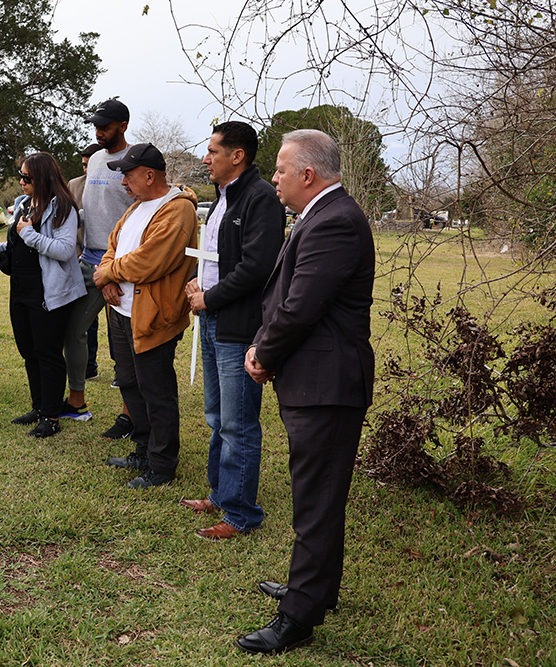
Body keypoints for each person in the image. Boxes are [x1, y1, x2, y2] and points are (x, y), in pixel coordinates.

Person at [238, 129, 375, 654]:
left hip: (327, 385)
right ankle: (313, 589)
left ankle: (298, 615)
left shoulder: (335, 221)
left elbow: (300, 306)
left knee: (316, 501)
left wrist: (262, 354)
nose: (273, 177)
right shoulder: (321, 216)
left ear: (307, 175)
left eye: (279, 168)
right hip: (316, 382)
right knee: (314, 496)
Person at [181, 122, 285, 539]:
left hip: (238, 325)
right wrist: (198, 285)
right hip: (212, 317)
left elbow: (257, 267)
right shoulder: (222, 198)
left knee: (238, 422)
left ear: (237, 155)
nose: (205, 159)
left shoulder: (260, 199)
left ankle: (240, 515)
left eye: (212, 151)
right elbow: (218, 258)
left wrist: (211, 297)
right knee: (217, 416)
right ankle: (221, 495)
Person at [95, 143, 198, 489]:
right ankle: (143, 448)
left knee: (156, 391)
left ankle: (162, 464)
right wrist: (108, 278)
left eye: (128, 174)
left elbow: (150, 261)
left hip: (151, 316)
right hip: (121, 312)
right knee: (129, 383)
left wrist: (107, 274)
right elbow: (113, 245)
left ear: (149, 175)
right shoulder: (137, 207)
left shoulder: (177, 210)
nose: (123, 182)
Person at [0, 153, 86, 437]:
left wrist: (28, 233)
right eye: (20, 176)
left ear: (43, 178)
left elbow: (63, 249)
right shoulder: (23, 204)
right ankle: (39, 407)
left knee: (48, 353)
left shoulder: (63, 207)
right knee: (29, 351)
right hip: (21, 288)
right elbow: (14, 244)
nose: (21, 182)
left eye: (27, 177)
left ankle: (51, 416)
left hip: (49, 291)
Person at [64, 99, 136, 435]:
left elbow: (145, 214)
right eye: (96, 126)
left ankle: (129, 414)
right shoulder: (94, 159)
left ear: (122, 125)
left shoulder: (136, 159)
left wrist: (115, 271)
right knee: (73, 331)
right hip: (89, 261)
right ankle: (76, 401)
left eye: (105, 126)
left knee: (124, 343)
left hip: (122, 267)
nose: (99, 132)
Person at [67, 143, 104, 383]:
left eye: (92, 164)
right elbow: (72, 221)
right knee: (83, 322)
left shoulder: (114, 183)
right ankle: (88, 367)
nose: (88, 169)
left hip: (108, 262)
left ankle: (121, 371)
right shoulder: (74, 185)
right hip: (83, 257)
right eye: (84, 165)